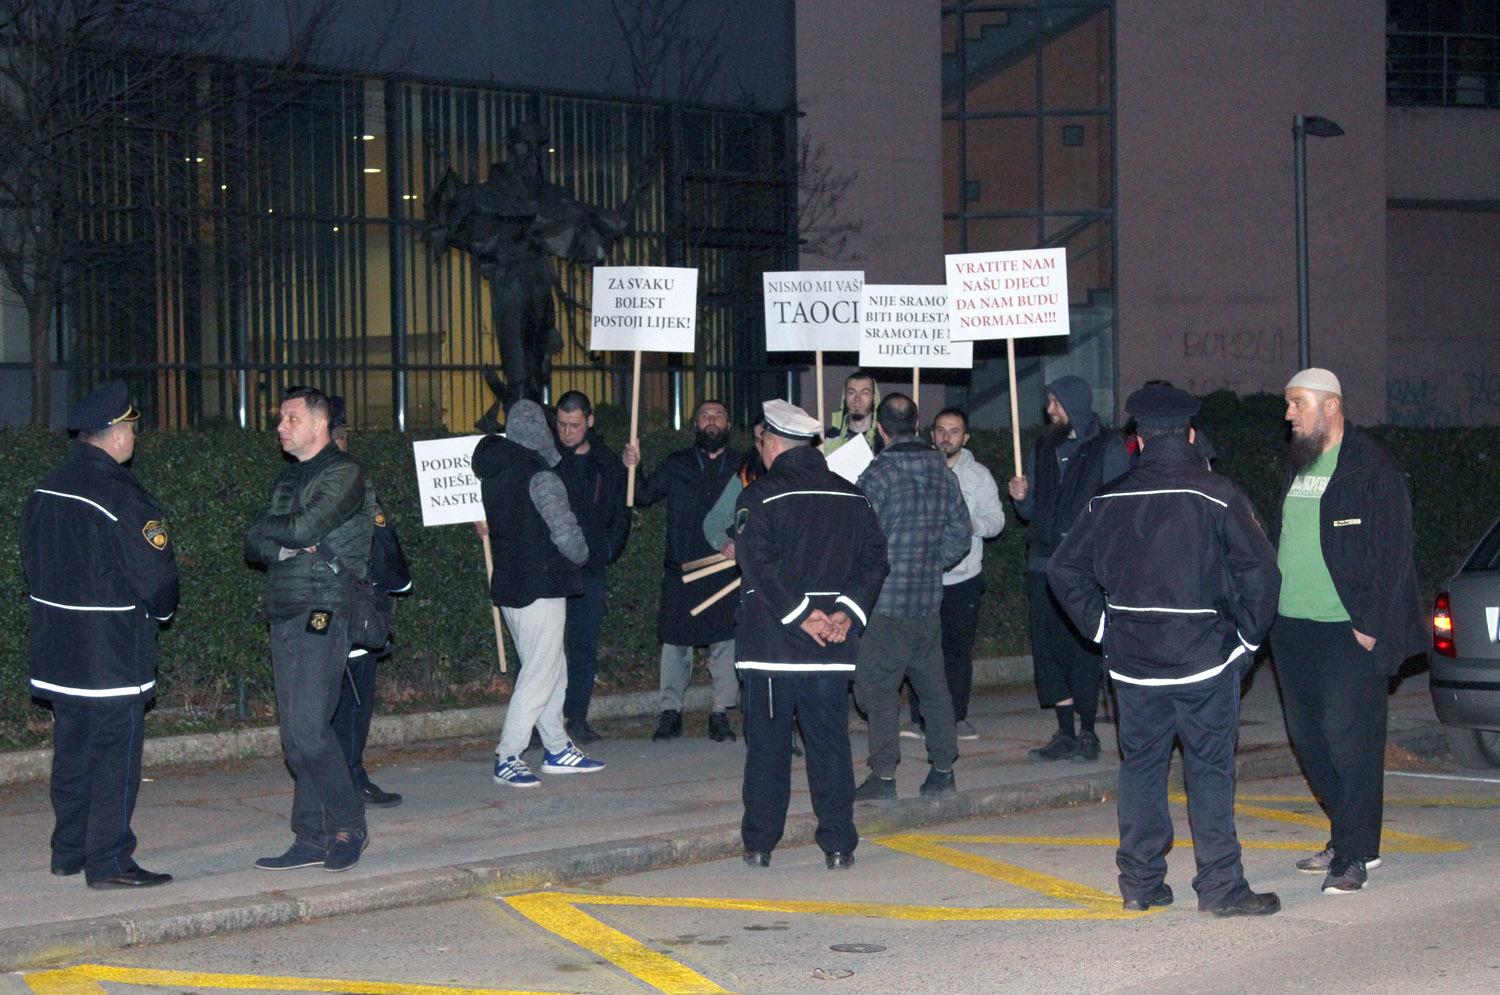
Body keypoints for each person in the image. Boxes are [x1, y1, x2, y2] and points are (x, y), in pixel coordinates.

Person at [1048, 383, 1283, 917]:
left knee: (1141, 770)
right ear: (1191, 434)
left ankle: (1140, 883)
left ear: (1138, 440)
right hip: (1204, 658)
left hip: (1132, 663)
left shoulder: (1108, 499)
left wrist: (1102, 627)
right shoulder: (1218, 493)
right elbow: (1262, 572)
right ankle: (1221, 887)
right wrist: (1246, 639)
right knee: (1210, 770)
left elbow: (1063, 569)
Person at [1269, 368, 1426, 896]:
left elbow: (1394, 553)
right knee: (1309, 740)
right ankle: (1349, 836)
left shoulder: (1370, 467)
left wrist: (1371, 625)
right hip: (1291, 626)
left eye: (1297, 404)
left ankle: (1354, 854)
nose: (1288, 414)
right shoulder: (1299, 465)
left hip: (1347, 629)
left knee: (1352, 744)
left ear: (1330, 406)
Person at [20, 380, 178, 889]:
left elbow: (31, 562)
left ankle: (68, 850)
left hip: (57, 649)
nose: (134, 437)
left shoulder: (46, 486)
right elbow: (155, 575)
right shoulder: (119, 496)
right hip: (110, 651)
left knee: (72, 751)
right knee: (115, 756)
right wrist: (160, 612)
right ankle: (108, 860)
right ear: (113, 435)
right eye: (131, 428)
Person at [735, 401, 889, 871]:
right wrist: (845, 612)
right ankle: (839, 844)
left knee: (768, 749)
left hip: (772, 650)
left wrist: (804, 615)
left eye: (762, 441)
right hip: (832, 648)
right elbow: (875, 561)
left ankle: (761, 843)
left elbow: (758, 565)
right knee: (831, 746)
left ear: (774, 443)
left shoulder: (758, 496)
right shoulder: (854, 496)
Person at [245, 386, 374, 872]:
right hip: (284, 607)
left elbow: (303, 530)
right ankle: (310, 837)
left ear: (320, 424)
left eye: (291, 418)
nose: (281, 426)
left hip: (324, 607)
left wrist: (283, 535)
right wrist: (283, 543)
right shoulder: (287, 479)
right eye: (280, 418)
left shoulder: (345, 473)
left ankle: (349, 823)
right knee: (296, 737)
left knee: (309, 729)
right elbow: (254, 540)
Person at [474, 399, 605, 787]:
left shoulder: (494, 472)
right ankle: (509, 753)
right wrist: (583, 554)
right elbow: (564, 532)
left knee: (550, 668)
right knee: (540, 672)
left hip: (511, 583)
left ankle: (557, 747)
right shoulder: (541, 474)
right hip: (543, 584)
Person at [852, 394, 970, 801]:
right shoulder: (942, 470)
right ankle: (942, 769)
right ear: (917, 425)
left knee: (878, 689)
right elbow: (961, 533)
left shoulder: (877, 474)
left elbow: (859, 539)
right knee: (933, 687)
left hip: (884, 604)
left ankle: (883, 776)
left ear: (879, 429)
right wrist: (929, 564)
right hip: (927, 601)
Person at [1007, 375, 1128, 763]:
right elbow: (1031, 511)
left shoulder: (1107, 447)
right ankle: (1064, 730)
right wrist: (1021, 499)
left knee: (1083, 647)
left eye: (1055, 402)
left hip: (1083, 567)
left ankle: (1089, 731)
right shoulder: (1043, 447)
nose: (1049, 410)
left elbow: (1115, 506)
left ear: (1073, 403)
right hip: (1043, 563)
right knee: (1049, 649)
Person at [623, 399, 742, 742]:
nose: (711, 421)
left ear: (728, 425)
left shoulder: (742, 465)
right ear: (695, 425)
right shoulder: (677, 464)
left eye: (719, 415)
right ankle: (670, 712)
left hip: (725, 569)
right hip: (681, 569)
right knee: (674, 644)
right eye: (705, 415)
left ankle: (720, 713)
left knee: (725, 643)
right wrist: (633, 466)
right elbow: (643, 495)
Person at [327, 397, 412, 808]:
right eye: (338, 436)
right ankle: (342, 784)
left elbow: (384, 545)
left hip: (359, 616)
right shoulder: (324, 488)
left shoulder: (355, 486)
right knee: (341, 709)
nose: (343, 444)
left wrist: (394, 583)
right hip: (337, 616)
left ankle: (351, 777)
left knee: (355, 709)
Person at [904, 407, 1004, 742]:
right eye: (941, 429)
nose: (946, 436)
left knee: (957, 652)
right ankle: (919, 718)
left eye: (955, 431)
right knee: (919, 649)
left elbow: (997, 521)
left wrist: (969, 524)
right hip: (922, 577)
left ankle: (957, 717)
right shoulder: (916, 470)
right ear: (931, 433)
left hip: (963, 578)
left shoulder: (979, 476)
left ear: (966, 437)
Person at [553, 390, 631, 744]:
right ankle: (543, 718)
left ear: (589, 421)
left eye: (574, 425)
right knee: (547, 649)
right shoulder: (548, 459)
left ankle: (576, 716)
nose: (567, 432)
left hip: (591, 569)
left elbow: (623, 508)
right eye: (561, 424)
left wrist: (608, 549)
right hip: (552, 568)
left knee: (583, 646)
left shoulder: (607, 462)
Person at [823, 370, 883, 456]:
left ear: (874, 398)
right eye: (852, 392)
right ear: (845, 397)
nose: (857, 399)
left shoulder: (883, 440)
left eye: (865, 393)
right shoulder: (828, 440)